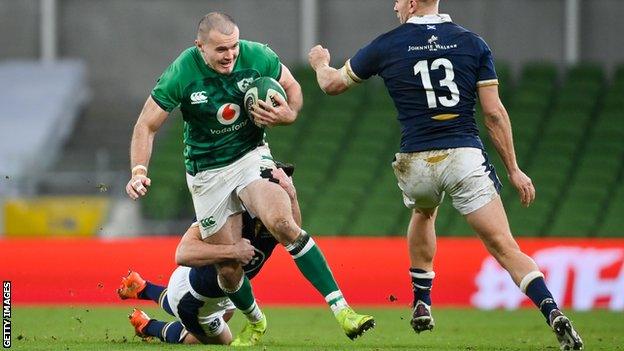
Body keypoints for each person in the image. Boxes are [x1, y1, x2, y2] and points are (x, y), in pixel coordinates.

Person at [307, 1, 583, 349]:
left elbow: (332, 84)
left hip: (415, 161)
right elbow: (494, 114)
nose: (394, 7)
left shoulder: (386, 44)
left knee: (423, 211)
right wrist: (513, 169)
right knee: (504, 247)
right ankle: (552, 311)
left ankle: (422, 299)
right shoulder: (473, 44)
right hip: (463, 156)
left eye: (397, 1)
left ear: (410, 3)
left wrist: (319, 63)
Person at [125, 12, 374, 345]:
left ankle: (343, 311)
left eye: (233, 46)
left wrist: (290, 113)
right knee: (229, 266)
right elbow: (146, 125)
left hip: (250, 155)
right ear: (200, 46)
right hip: (206, 173)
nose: (230, 55)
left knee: (283, 223)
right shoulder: (181, 73)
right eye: (220, 50)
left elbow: (292, 87)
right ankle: (255, 321)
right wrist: (139, 170)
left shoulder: (257, 55)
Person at [118, 166, 294, 346]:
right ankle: (147, 326)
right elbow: (183, 253)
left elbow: (294, 232)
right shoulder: (225, 207)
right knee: (220, 341)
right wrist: (233, 252)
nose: (280, 195)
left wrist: (292, 196)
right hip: (191, 295)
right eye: (276, 189)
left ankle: (142, 288)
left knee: (227, 312)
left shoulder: (274, 221)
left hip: (218, 293)